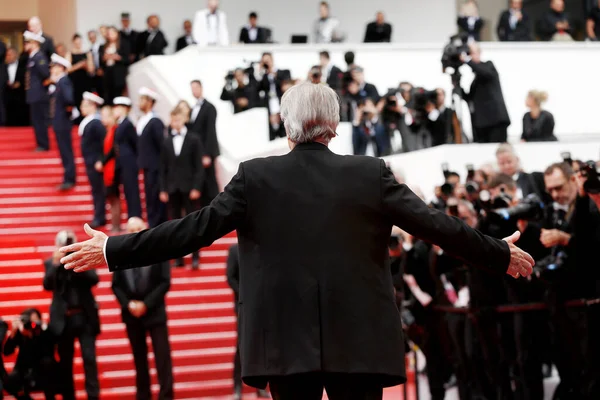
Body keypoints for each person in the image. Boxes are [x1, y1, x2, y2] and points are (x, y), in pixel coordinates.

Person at [61, 82, 534, 400]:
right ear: (334, 125)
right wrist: (498, 252)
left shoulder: (255, 177)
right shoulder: (368, 173)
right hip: (361, 344)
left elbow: (190, 231)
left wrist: (112, 248)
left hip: (284, 345)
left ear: (286, 125)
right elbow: (437, 226)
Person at [112, 217, 174, 400]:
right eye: (131, 229)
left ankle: (166, 395)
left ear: (146, 229)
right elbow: (116, 285)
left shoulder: (159, 250)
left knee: (162, 359)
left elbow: (165, 282)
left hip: (155, 313)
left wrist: (146, 304)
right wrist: (129, 304)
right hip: (132, 315)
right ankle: (143, 395)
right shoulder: (120, 254)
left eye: (138, 228)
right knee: (139, 361)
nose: (135, 232)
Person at [44, 230, 100, 400]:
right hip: (63, 320)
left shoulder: (82, 260)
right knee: (65, 363)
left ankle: (93, 396)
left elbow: (94, 279)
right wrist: (55, 263)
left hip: (84, 317)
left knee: (89, 359)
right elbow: (47, 284)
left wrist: (77, 258)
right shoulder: (51, 263)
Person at [159, 108, 204, 269]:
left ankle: (195, 257)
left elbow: (199, 167)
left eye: (178, 119)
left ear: (184, 119)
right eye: (173, 120)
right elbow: (163, 167)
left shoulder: (194, 139)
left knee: (194, 223)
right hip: (172, 188)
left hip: (189, 188)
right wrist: (163, 189)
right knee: (175, 224)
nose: (175, 123)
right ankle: (178, 257)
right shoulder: (166, 141)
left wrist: (196, 187)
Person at [226, 244, 271, 399]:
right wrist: (246, 295)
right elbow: (230, 277)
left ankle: (261, 386)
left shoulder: (262, 247)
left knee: (262, 347)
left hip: (263, 306)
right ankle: (237, 387)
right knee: (241, 347)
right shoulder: (233, 250)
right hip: (243, 306)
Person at [2, 309, 58, 400]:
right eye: (30, 322)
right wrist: (13, 333)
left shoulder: (46, 332)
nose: (33, 325)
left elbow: (48, 352)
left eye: (35, 321)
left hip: (42, 371)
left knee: (48, 363)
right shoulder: (21, 333)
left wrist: (32, 336)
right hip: (24, 370)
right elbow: (6, 352)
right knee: (9, 381)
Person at [460, 43, 510, 143]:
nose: (469, 56)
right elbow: (470, 99)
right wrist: (457, 86)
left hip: (495, 121)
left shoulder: (488, 65)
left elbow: (485, 73)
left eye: (471, 53)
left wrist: (467, 60)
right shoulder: (475, 81)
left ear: (479, 53)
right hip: (481, 124)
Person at [136, 86, 167, 228]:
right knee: (150, 199)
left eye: (142, 99)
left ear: (149, 101)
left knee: (156, 200)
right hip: (148, 167)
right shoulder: (143, 120)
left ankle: (158, 226)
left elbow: (162, 147)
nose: (139, 102)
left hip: (156, 168)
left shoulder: (155, 121)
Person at [188, 80, 220, 208]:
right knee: (201, 183)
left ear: (201, 88)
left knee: (210, 181)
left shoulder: (209, 107)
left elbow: (210, 132)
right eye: (192, 88)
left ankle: (217, 208)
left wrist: (207, 154)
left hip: (206, 152)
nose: (194, 90)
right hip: (196, 153)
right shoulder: (192, 109)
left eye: (196, 87)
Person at [49, 53, 76, 191]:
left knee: (66, 150)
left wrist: (67, 114)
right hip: (60, 121)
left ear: (60, 67)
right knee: (64, 150)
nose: (51, 69)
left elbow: (69, 100)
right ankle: (68, 176)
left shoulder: (63, 81)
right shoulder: (59, 82)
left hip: (63, 122)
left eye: (54, 66)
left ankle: (70, 178)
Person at [79, 92, 107, 228]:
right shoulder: (89, 122)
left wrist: (100, 160)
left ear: (92, 106)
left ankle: (100, 216)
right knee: (95, 190)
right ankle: (98, 215)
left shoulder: (96, 123)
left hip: (95, 162)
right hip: (90, 161)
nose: (81, 108)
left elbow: (104, 143)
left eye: (84, 105)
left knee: (98, 190)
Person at [112, 96, 142, 219]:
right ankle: (132, 215)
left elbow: (134, 143)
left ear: (124, 109)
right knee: (128, 190)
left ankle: (135, 215)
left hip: (129, 162)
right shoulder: (121, 124)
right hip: (123, 162)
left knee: (132, 190)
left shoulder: (128, 124)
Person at [24, 30, 51, 152]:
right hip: (34, 94)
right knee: (36, 120)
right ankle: (40, 143)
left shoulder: (39, 57)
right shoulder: (32, 57)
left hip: (39, 94)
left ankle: (43, 144)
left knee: (40, 120)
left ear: (34, 43)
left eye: (28, 42)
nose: (25, 45)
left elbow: (45, 73)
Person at [96, 105, 121, 232]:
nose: (102, 119)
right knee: (111, 198)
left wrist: (103, 161)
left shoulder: (115, 130)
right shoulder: (107, 131)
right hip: (108, 169)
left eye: (105, 116)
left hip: (113, 168)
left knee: (114, 197)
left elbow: (113, 150)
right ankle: (114, 224)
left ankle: (116, 225)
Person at [100, 26, 130, 104]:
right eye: (109, 33)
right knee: (107, 95)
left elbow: (128, 59)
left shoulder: (123, 44)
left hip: (118, 74)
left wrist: (117, 57)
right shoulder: (104, 46)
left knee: (117, 95)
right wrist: (105, 58)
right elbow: (101, 62)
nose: (110, 35)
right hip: (107, 74)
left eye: (112, 33)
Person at [66, 34, 93, 120]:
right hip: (74, 81)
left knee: (85, 99)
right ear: (73, 42)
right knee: (75, 99)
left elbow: (91, 69)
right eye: (76, 42)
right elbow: (67, 69)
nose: (78, 44)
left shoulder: (87, 53)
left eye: (80, 42)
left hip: (85, 80)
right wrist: (78, 65)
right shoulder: (70, 53)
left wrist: (86, 66)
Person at [3, 47, 29, 126]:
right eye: (6, 55)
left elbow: (27, 80)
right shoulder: (3, 67)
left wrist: (20, 83)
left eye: (9, 55)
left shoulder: (24, 66)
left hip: (20, 98)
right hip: (7, 97)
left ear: (15, 55)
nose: (7, 57)